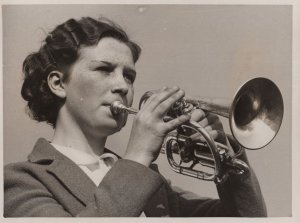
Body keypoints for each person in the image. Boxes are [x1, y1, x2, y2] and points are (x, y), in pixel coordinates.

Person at [4, 17, 267, 217]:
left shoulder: (153, 184)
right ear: (58, 83)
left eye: (129, 76)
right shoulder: (19, 181)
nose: (123, 86)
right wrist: (138, 156)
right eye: (104, 69)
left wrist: (224, 154)